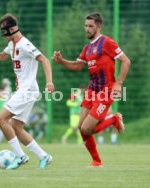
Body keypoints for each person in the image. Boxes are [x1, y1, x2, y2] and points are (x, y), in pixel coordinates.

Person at [0, 13, 54, 169]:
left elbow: (44, 59)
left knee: (1, 119)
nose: (3, 35)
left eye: (4, 31)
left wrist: (49, 82)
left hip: (26, 90)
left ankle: (20, 156)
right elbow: (2, 56)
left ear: (13, 29)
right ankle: (44, 156)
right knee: (16, 127)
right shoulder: (12, 45)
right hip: (26, 90)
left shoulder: (24, 44)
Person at [53, 12, 130, 167]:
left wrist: (119, 83)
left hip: (106, 91)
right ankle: (96, 161)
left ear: (99, 26)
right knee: (82, 128)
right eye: (86, 26)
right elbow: (77, 66)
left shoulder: (107, 42)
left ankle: (114, 118)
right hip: (91, 90)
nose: (87, 29)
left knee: (87, 128)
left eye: (91, 26)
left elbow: (126, 61)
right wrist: (61, 61)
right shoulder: (87, 48)